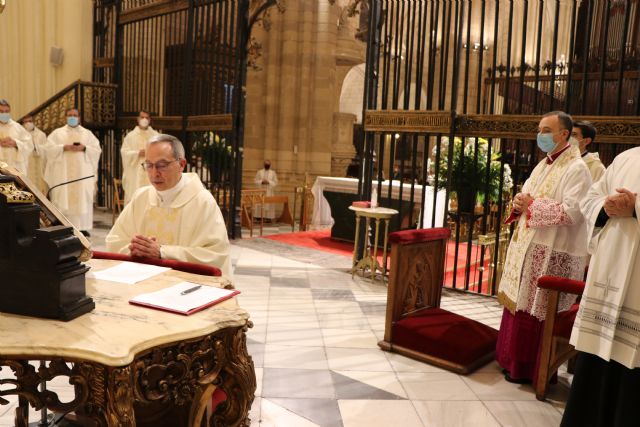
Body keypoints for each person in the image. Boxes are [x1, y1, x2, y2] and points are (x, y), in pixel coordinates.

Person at [496, 111, 592, 383]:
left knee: (535, 309)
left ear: (564, 134)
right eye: (539, 129)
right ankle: (509, 361)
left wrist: (532, 206)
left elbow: (573, 212)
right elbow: (528, 197)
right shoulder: (543, 165)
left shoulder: (577, 169)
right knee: (521, 305)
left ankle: (528, 370)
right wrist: (518, 203)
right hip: (529, 246)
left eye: (547, 130)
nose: (541, 135)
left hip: (551, 251)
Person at [560, 147, 640, 427]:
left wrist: (636, 209)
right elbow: (591, 199)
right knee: (596, 364)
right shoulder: (627, 157)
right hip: (609, 272)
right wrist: (605, 208)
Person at [106, 134, 232, 278]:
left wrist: (162, 252)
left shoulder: (202, 202)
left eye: (162, 165)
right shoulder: (141, 197)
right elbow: (114, 241)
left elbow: (215, 254)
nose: (154, 173)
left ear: (182, 164)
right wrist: (135, 249)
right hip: (141, 282)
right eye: (149, 165)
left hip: (184, 289)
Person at [43, 108, 102, 234]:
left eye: (75, 115)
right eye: (70, 115)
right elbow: (48, 149)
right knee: (63, 198)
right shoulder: (57, 133)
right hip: (63, 175)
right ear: (65, 117)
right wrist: (63, 147)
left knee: (81, 198)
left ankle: (82, 227)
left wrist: (84, 148)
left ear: (79, 117)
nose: (72, 117)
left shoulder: (87, 134)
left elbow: (96, 150)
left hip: (82, 175)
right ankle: (63, 225)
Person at [121, 110, 159, 204]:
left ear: (150, 120)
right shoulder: (131, 136)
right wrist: (137, 153)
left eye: (147, 118)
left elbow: (161, 151)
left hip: (151, 172)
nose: (144, 120)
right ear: (138, 119)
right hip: (136, 173)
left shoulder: (156, 136)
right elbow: (124, 152)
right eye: (142, 117)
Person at [0, 99, 33, 174]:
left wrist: (15, 143)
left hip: (15, 166)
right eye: (1, 112)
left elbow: (29, 145)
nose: (4, 114)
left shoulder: (17, 127)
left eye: (6, 111)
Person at [22, 115, 49, 194]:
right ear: (23, 123)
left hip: (39, 164)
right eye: (25, 122)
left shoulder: (41, 134)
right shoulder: (21, 134)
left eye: (30, 121)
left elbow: (46, 149)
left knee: (40, 187)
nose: (28, 123)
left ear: (33, 122)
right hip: (26, 164)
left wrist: (35, 146)